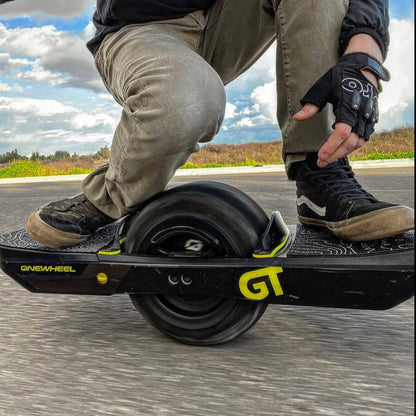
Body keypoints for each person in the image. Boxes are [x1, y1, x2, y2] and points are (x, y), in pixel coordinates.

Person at [26, 0, 414, 248]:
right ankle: (108, 197)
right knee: (187, 103)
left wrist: (364, 56)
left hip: (231, 17)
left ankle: (318, 174)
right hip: (141, 27)